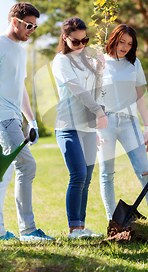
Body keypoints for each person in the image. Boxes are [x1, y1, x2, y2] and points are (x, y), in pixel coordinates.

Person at [0, 2, 55, 242]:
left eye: (34, 27)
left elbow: (19, 87)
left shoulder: (19, 50)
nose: (32, 30)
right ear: (15, 21)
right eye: (29, 25)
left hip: (14, 120)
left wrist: (31, 119)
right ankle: (28, 229)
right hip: (0, 119)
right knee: (27, 166)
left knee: (3, 173)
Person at [97, 24, 148, 234]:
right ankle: (114, 224)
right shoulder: (100, 63)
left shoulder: (134, 64)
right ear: (113, 39)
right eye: (122, 42)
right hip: (105, 123)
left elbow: (140, 96)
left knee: (145, 172)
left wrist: (147, 126)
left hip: (129, 122)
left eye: (130, 44)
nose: (125, 47)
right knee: (106, 174)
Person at [52, 17, 107, 239]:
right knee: (78, 174)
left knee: (87, 178)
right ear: (65, 38)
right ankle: (74, 229)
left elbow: (93, 93)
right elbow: (77, 90)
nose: (82, 45)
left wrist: (100, 71)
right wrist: (99, 112)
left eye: (85, 40)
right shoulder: (61, 61)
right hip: (67, 125)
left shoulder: (86, 62)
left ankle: (81, 227)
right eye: (76, 42)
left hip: (86, 127)